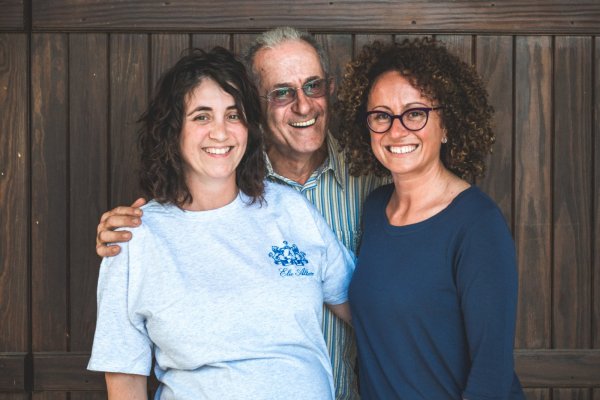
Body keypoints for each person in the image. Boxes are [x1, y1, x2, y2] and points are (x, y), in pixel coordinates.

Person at [95, 27, 386, 400]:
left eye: (233, 115)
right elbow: (124, 378)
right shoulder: (134, 237)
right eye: (202, 117)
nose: (221, 132)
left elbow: (369, 311)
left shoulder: (290, 209)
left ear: (249, 126)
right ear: (172, 132)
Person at [335, 38, 525, 399]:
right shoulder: (375, 209)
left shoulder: (477, 224)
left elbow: (491, 372)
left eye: (415, 113)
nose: (396, 130)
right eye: (381, 115)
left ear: (447, 124)